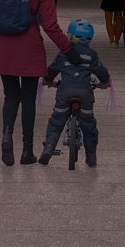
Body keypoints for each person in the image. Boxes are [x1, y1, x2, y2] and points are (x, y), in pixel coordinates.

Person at [0, 0, 81, 166]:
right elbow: (50, 26)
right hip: (28, 47)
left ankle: (6, 135)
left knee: (10, 97)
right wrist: (69, 50)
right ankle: (27, 151)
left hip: (3, 47)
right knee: (28, 99)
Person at [39, 19, 112, 167]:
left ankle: (48, 148)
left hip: (65, 91)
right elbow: (101, 71)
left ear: (69, 36)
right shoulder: (91, 55)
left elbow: (52, 70)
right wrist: (105, 83)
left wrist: (48, 81)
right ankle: (91, 157)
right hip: (85, 93)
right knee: (88, 123)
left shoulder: (63, 54)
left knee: (57, 120)